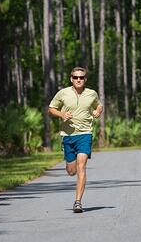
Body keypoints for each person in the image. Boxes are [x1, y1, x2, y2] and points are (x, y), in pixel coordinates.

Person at [48, 67, 103, 213]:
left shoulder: (91, 93)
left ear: (85, 79)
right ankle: (68, 163)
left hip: (85, 134)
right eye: (76, 77)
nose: (78, 80)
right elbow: (51, 108)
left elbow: (99, 104)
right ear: (71, 78)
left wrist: (98, 111)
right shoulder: (63, 93)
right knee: (71, 170)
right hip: (68, 136)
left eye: (81, 77)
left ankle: (78, 202)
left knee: (81, 166)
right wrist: (61, 114)